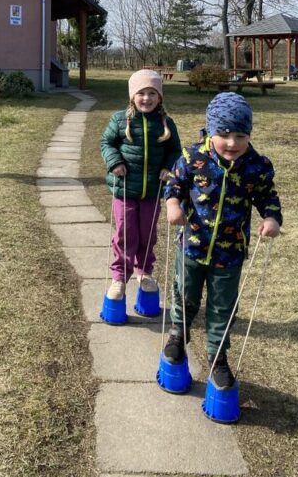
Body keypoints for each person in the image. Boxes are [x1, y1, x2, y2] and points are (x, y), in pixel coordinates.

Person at [163, 92, 282, 389]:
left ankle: (217, 355)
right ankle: (178, 334)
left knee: (222, 307)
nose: (232, 143)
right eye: (224, 135)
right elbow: (175, 184)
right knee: (185, 295)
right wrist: (173, 204)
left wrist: (272, 218)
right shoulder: (193, 157)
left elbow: (267, 196)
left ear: (249, 134)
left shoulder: (256, 165)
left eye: (240, 136)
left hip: (229, 254)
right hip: (192, 246)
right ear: (210, 131)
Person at [101, 69, 182, 302]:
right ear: (132, 96)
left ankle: (144, 272)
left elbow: (175, 150)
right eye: (141, 93)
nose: (146, 98)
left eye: (152, 93)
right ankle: (119, 277)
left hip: (152, 191)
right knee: (125, 233)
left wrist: (168, 167)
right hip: (125, 189)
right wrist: (114, 162)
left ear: (160, 97)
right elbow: (107, 143)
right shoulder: (120, 120)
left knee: (148, 233)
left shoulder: (166, 123)